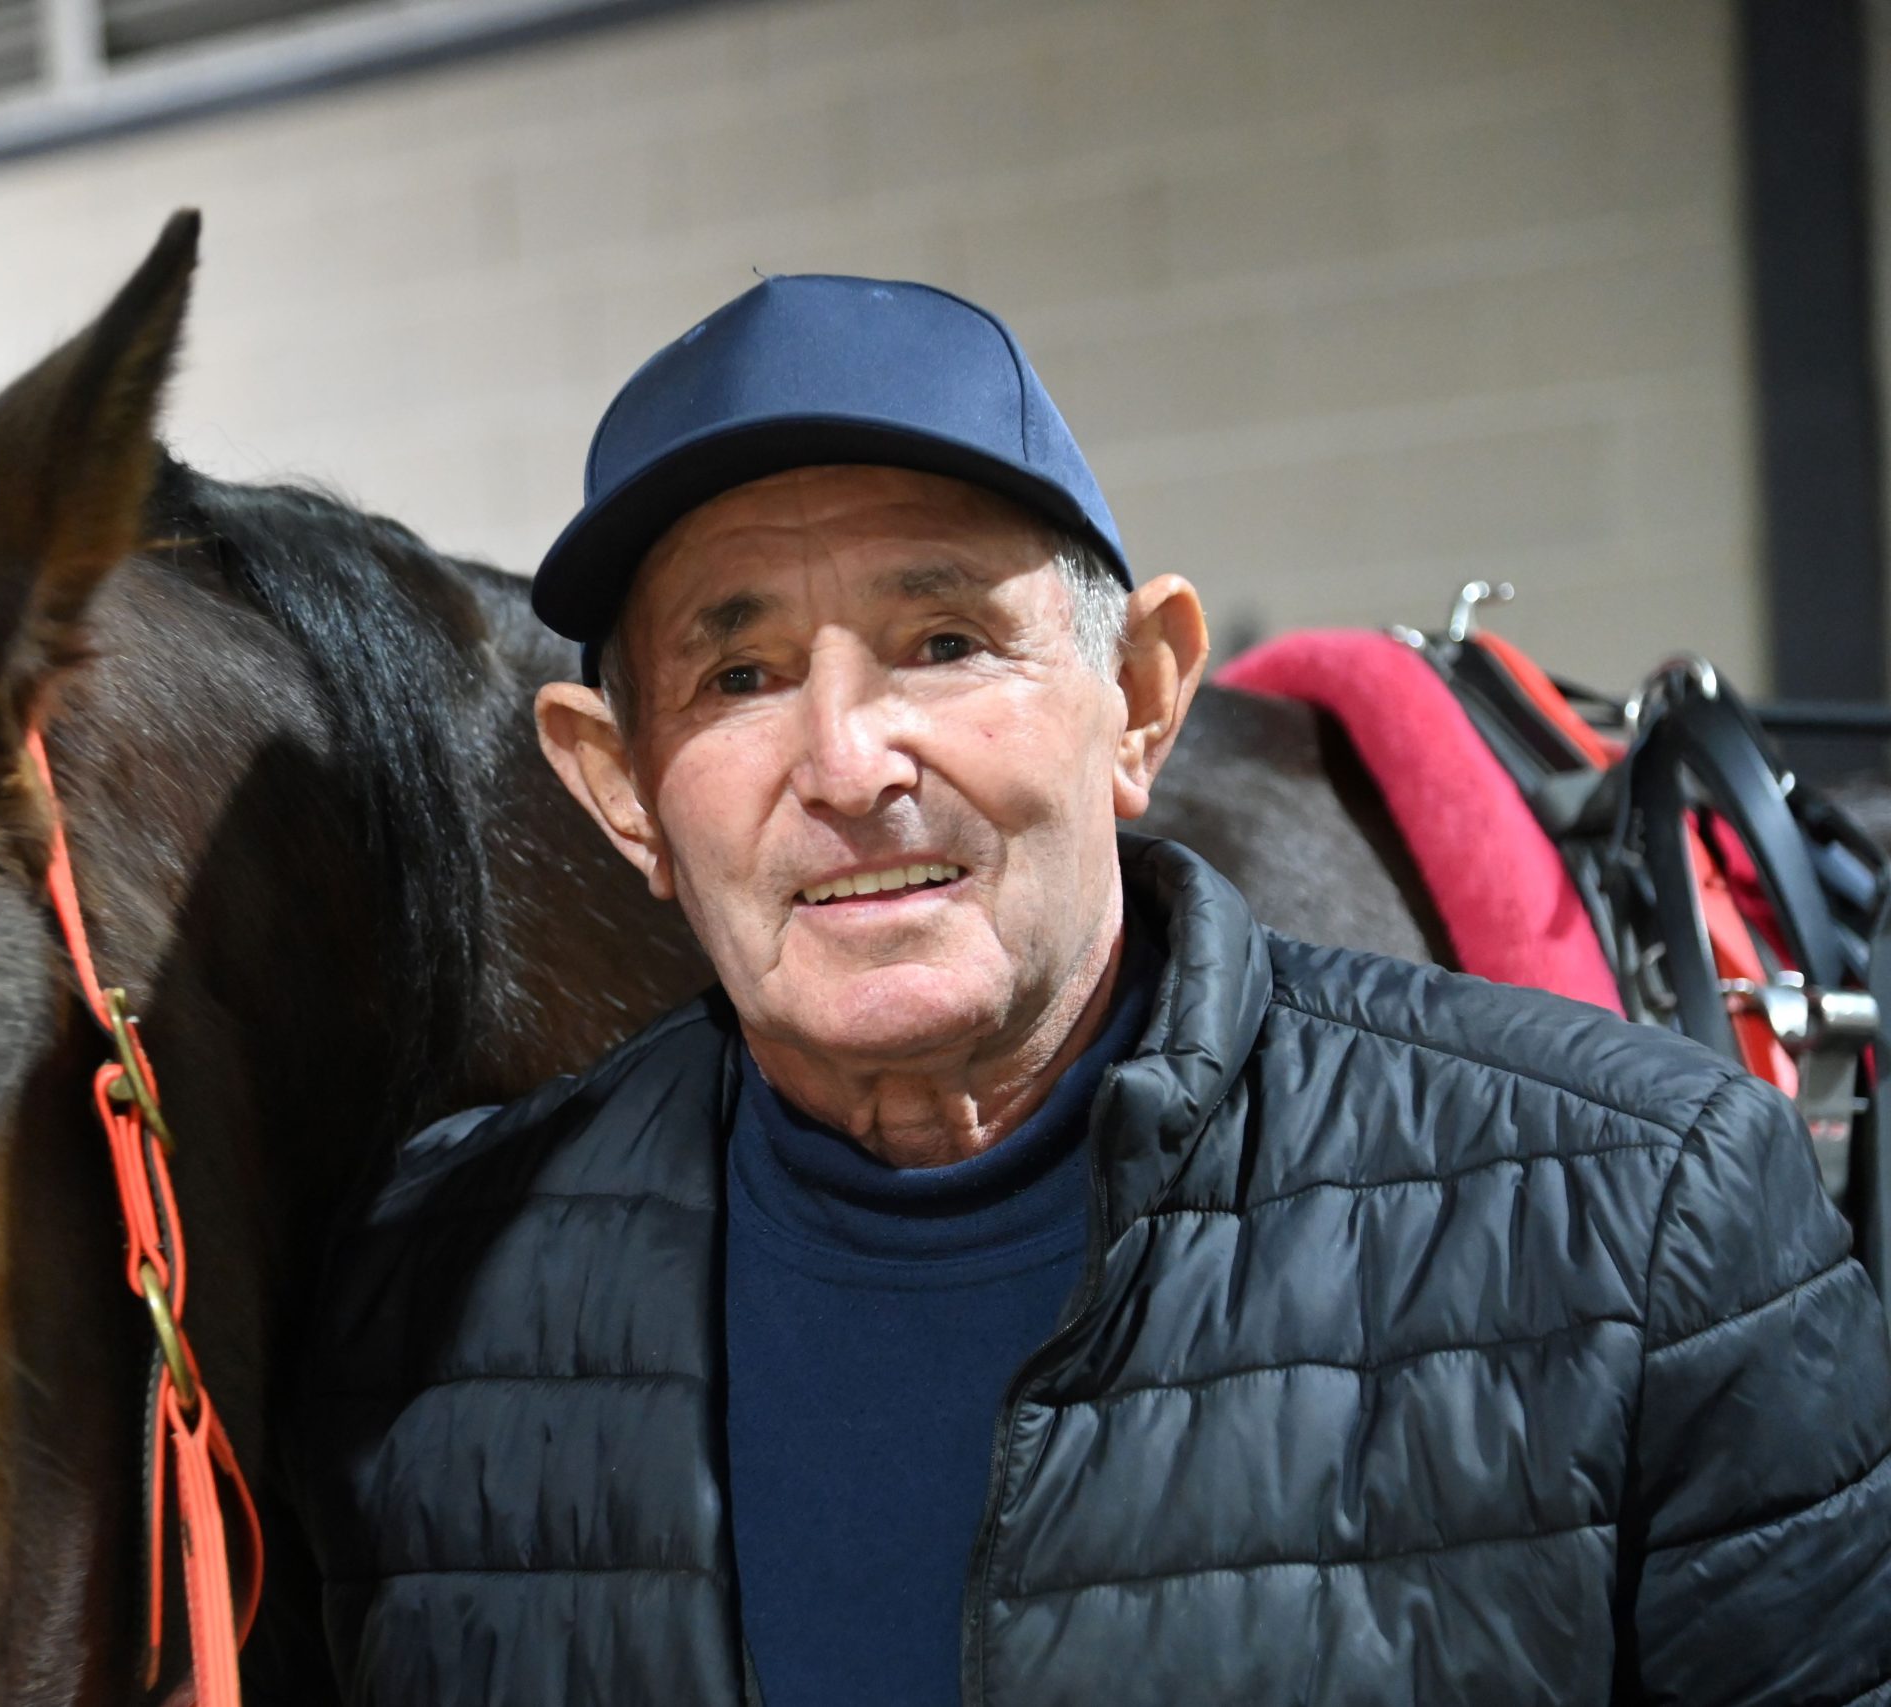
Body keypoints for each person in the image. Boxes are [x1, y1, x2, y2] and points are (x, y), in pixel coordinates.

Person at [294, 274, 1891, 1703]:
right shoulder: (414, 1309)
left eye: (942, 641)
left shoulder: (1645, 1220)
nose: (848, 764)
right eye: (742, 676)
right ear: (621, 789)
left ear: (1137, 697)